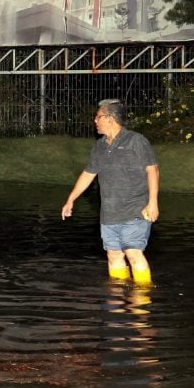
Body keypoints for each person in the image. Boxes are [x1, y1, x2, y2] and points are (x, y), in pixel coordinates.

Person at [62, 99, 160, 284]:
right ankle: (118, 302)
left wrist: (153, 202)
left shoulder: (136, 141)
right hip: (109, 213)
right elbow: (88, 174)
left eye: (98, 117)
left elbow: (152, 169)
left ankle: (141, 302)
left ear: (110, 118)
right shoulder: (99, 146)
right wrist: (71, 199)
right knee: (114, 255)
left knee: (133, 252)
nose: (95, 121)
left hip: (136, 210)